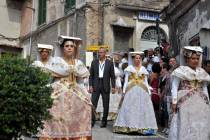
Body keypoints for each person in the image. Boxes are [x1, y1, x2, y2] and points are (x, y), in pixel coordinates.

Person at [38, 35, 92, 140]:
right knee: (55, 112)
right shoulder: (57, 61)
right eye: (67, 46)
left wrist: (86, 94)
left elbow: (81, 81)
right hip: (59, 90)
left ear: (74, 48)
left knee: (85, 107)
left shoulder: (78, 63)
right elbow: (50, 78)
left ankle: (77, 136)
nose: (69, 48)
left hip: (75, 89)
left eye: (72, 46)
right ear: (63, 48)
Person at [169, 46, 210, 140]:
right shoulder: (180, 71)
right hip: (185, 101)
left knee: (201, 123)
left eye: (197, 58)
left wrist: (208, 102)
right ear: (187, 59)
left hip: (201, 101)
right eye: (193, 58)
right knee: (186, 123)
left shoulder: (202, 72)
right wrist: (174, 101)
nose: (195, 60)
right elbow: (174, 86)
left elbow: (204, 88)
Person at [113, 52, 157, 135]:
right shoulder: (129, 68)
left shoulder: (144, 69)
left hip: (142, 90)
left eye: (139, 58)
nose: (138, 59)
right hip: (131, 89)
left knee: (141, 108)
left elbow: (146, 82)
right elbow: (126, 81)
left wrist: (148, 91)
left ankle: (142, 127)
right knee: (131, 108)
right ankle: (129, 126)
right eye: (136, 58)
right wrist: (124, 91)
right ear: (133, 59)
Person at [89, 47, 115, 128]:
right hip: (96, 84)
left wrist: (113, 86)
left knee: (106, 105)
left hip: (105, 85)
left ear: (105, 53)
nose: (99, 54)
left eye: (101, 52)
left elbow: (112, 76)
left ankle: (104, 121)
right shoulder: (94, 62)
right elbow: (91, 76)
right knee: (93, 104)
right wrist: (90, 85)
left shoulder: (110, 63)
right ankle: (92, 121)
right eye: (99, 52)